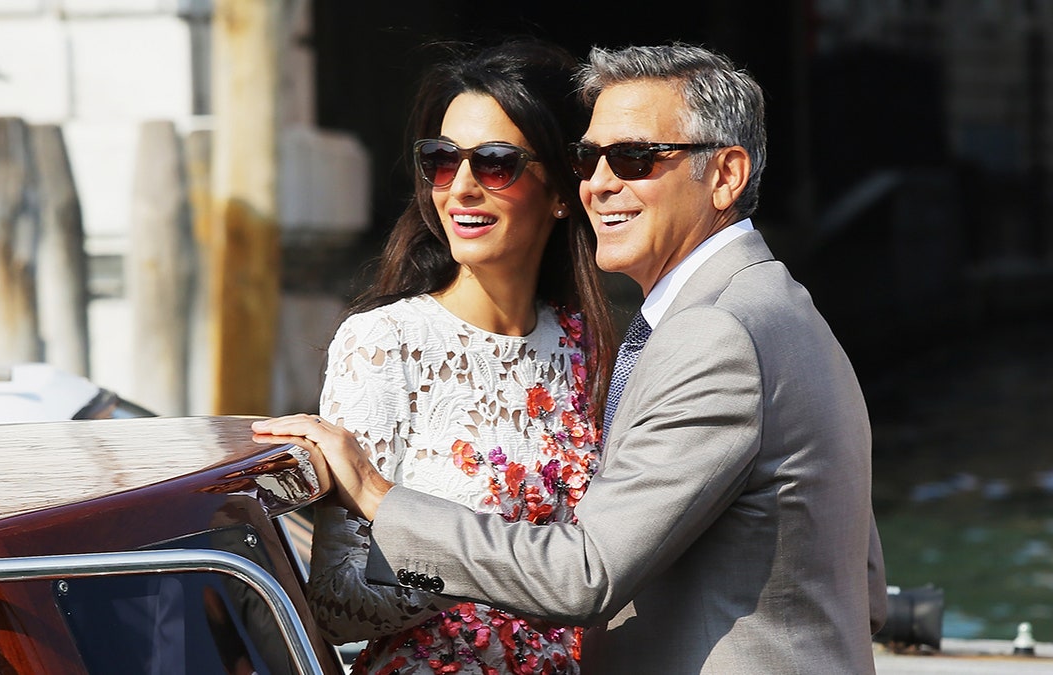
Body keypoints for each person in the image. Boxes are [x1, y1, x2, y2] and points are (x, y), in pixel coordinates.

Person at [254, 43, 888, 674]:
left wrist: (379, 496)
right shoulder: (781, 311)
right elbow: (866, 585)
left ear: (725, 175)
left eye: (636, 157)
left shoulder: (700, 335)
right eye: (591, 157)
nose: (603, 182)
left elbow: (585, 575)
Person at [291, 40, 616, 675]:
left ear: (559, 190)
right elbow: (335, 604)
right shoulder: (383, 343)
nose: (461, 188)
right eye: (441, 162)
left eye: (495, 163)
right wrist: (485, 557)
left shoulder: (591, 347)